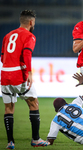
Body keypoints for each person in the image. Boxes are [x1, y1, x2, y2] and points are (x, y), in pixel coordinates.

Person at [1, 10, 49, 149]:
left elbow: (2, 57)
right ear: (31, 22)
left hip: (4, 75)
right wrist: (29, 72)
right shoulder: (30, 36)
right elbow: (27, 53)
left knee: (8, 108)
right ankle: (35, 140)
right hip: (18, 75)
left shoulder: (7, 35)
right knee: (34, 103)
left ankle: (10, 142)